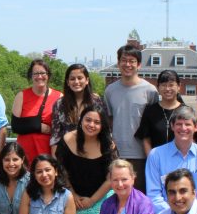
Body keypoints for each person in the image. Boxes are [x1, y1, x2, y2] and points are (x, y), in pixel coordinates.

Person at [56, 107, 117, 214]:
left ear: (103, 125)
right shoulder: (68, 139)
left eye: (97, 122)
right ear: (81, 120)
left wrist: (93, 199)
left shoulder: (108, 144)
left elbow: (110, 178)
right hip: (74, 193)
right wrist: (73, 194)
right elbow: (61, 170)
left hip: (101, 194)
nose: (91, 125)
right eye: (88, 120)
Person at [104, 45, 159, 193]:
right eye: (124, 60)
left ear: (139, 64)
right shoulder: (110, 90)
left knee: (139, 198)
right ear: (118, 63)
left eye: (132, 61)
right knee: (117, 197)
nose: (127, 64)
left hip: (141, 154)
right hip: (117, 154)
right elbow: (109, 119)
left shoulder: (150, 91)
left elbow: (155, 124)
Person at [145, 106, 197, 214]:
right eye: (179, 124)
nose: (183, 128)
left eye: (188, 124)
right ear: (172, 126)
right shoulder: (156, 156)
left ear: (196, 127)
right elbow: (153, 195)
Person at [11, 59, 62, 163]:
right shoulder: (21, 96)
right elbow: (15, 126)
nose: (39, 77)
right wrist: (39, 126)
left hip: (47, 154)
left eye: (43, 73)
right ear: (31, 75)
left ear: (48, 75)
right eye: (36, 73)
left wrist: (30, 124)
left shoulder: (59, 97)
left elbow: (62, 128)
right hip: (24, 154)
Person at [50, 63, 106, 152]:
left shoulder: (96, 101)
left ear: (87, 80)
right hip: (67, 152)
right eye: (72, 79)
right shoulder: (59, 104)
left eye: (80, 78)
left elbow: (104, 129)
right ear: (68, 82)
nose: (76, 82)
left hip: (92, 151)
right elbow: (55, 136)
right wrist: (55, 161)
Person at [135, 70, 186, 156]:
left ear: (178, 87)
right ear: (158, 87)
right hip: (157, 160)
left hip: (181, 161)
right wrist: (152, 160)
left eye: (171, 85)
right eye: (163, 85)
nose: (167, 89)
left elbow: (193, 138)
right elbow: (146, 139)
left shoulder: (186, 111)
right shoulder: (150, 111)